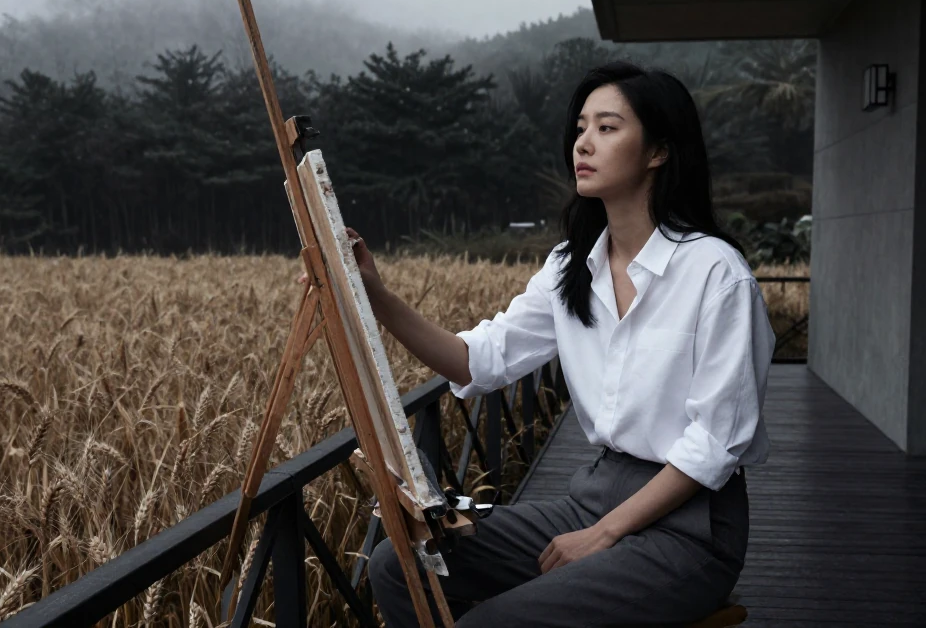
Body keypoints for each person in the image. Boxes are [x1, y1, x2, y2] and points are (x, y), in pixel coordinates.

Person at [307, 61, 775, 627]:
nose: (584, 142)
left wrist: (602, 535)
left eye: (607, 128)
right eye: (580, 127)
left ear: (659, 151)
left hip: (689, 528)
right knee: (398, 565)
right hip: (595, 495)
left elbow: (715, 444)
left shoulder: (715, 274)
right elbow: (476, 359)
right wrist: (373, 292)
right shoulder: (571, 267)